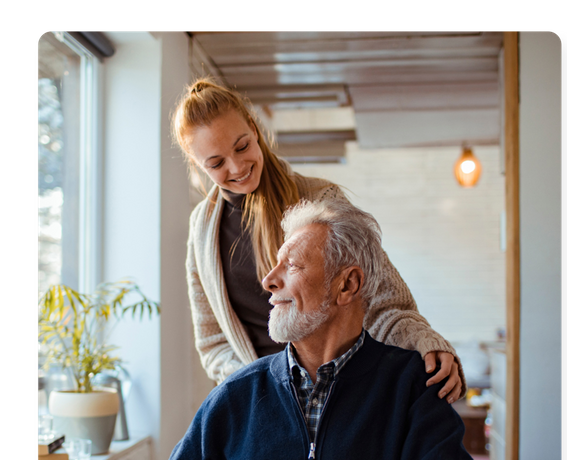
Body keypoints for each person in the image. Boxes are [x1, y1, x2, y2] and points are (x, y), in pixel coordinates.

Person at [136, 198, 481, 460]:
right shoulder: (235, 395)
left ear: (347, 285)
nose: (269, 280)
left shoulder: (412, 389)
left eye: (293, 265)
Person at [175, 77, 465, 402]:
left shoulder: (320, 200)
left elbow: (382, 300)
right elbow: (212, 342)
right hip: (262, 404)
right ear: (198, 165)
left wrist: (423, 340)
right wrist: (257, 387)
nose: (237, 166)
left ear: (255, 129)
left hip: (341, 395)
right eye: (215, 163)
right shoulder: (202, 229)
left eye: (242, 146)